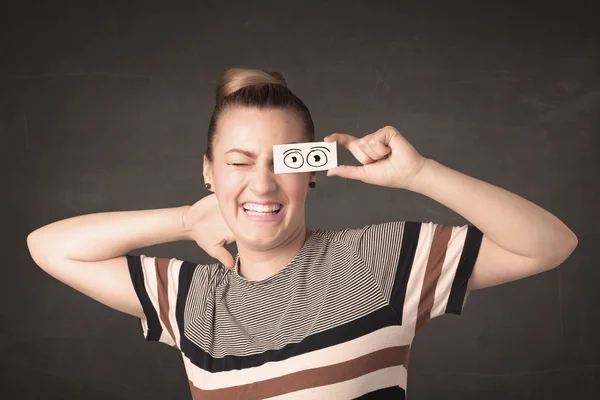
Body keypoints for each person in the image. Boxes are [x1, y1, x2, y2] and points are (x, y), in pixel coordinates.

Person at [26, 68, 578, 399]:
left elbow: (550, 244)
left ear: (313, 171)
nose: (262, 183)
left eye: (282, 162)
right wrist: (184, 220)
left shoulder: (374, 262)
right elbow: (48, 247)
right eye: (239, 163)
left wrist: (419, 174)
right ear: (208, 173)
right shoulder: (191, 297)